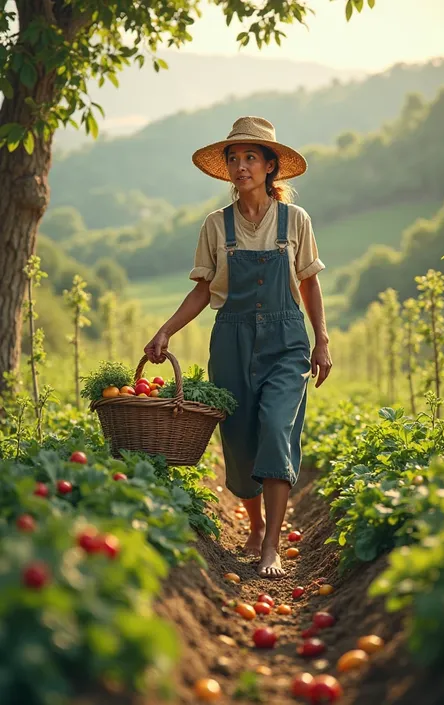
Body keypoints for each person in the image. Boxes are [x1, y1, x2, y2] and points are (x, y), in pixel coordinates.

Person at [145, 116, 332, 578]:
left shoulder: (295, 221)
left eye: (251, 157)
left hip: (287, 340)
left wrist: (322, 339)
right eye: (234, 158)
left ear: (271, 166)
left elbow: (308, 283)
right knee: (242, 443)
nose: (241, 165)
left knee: (274, 428)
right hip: (230, 339)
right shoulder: (216, 225)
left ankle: (271, 545)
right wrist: (166, 330)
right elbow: (204, 290)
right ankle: (253, 524)